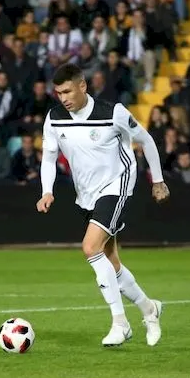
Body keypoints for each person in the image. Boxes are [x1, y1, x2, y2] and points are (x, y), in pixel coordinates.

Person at [36, 63, 170, 347]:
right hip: (86, 194)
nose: (63, 98)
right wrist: (47, 191)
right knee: (111, 261)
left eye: (68, 91)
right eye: (58, 93)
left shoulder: (113, 113)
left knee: (90, 247)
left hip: (117, 184)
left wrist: (157, 181)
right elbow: (48, 157)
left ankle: (120, 323)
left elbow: (145, 140)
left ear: (83, 86)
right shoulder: (55, 118)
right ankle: (150, 309)